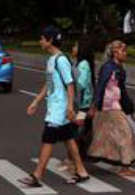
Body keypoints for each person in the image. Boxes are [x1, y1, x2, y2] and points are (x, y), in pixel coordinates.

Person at [19, 26, 91, 187]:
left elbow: (70, 84)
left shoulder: (61, 60)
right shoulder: (51, 60)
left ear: (50, 40)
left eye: (42, 39)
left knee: (48, 139)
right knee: (68, 138)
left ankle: (36, 176)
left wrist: (70, 107)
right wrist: (36, 101)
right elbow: (49, 83)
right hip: (55, 106)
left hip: (60, 108)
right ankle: (81, 171)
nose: (40, 41)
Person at [89, 39, 135, 177]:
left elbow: (122, 91)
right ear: (115, 53)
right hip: (108, 106)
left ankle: (116, 162)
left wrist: (130, 108)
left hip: (113, 106)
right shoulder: (108, 68)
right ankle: (125, 167)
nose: (126, 53)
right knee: (125, 132)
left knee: (107, 135)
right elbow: (100, 86)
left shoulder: (119, 69)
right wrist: (94, 105)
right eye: (123, 51)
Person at [60, 39, 96, 171]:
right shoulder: (79, 63)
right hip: (80, 104)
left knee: (75, 133)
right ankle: (74, 159)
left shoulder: (84, 65)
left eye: (75, 46)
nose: (73, 48)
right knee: (75, 131)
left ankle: (74, 161)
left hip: (82, 106)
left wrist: (68, 84)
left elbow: (80, 83)